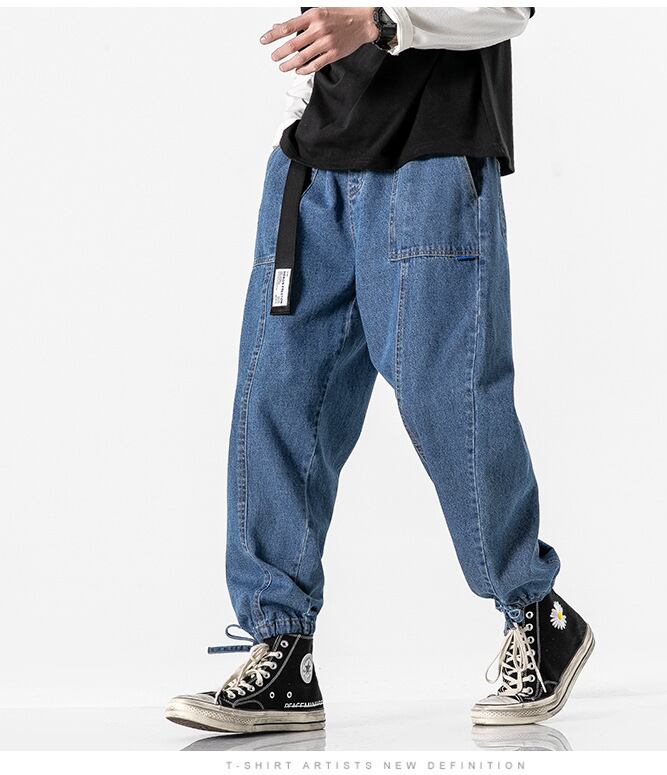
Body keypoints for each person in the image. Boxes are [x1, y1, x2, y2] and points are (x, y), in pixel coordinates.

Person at [165, 6, 594, 735]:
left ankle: (537, 612)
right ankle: (283, 650)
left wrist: (382, 22)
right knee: (276, 401)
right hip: (312, 169)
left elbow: (510, 7)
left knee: (446, 400)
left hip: (431, 158)